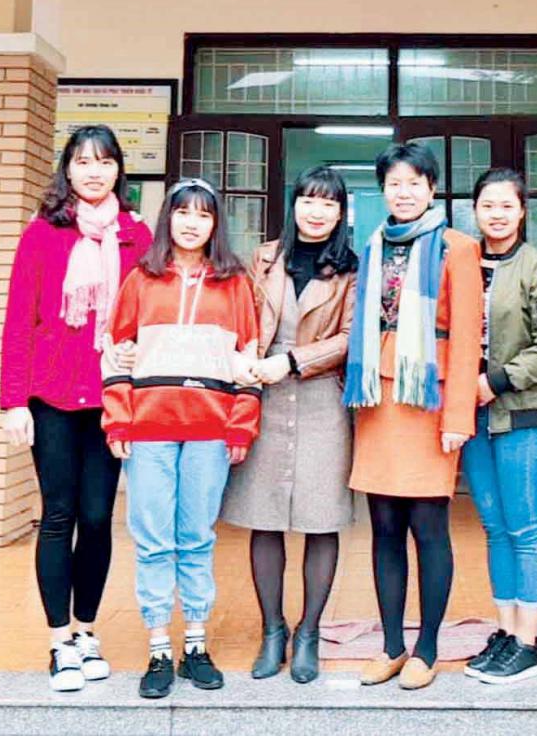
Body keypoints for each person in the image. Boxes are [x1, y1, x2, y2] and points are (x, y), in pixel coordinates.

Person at [0, 125, 151, 692]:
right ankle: (58, 639)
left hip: (112, 395)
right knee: (59, 515)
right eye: (83, 161)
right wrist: (13, 400)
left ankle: (88, 631)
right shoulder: (42, 235)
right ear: (67, 169)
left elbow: (150, 314)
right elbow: (19, 323)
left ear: (118, 171)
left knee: (97, 517)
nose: (94, 171)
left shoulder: (137, 236)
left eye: (105, 161)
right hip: (53, 398)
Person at [102, 178, 261, 700]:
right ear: (168, 218)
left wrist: (241, 422)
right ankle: (158, 649)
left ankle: (195, 644)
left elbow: (249, 363)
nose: (192, 222)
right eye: (183, 212)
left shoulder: (234, 283)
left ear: (216, 224)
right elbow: (116, 352)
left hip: (210, 430)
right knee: (152, 542)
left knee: (196, 539)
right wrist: (117, 420)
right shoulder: (140, 280)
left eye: (204, 214)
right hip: (148, 427)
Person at [345, 142, 483, 690]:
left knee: (428, 528)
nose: (403, 192)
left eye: (413, 182)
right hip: (378, 400)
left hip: (428, 400)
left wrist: (458, 418)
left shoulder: (458, 247)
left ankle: (427, 647)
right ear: (383, 190)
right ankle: (390, 645)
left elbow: (469, 336)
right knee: (383, 527)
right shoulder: (373, 245)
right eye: (393, 183)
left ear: (431, 187)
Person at [222, 167, 359, 684]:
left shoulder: (351, 268)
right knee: (265, 516)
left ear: (341, 212)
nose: (316, 211)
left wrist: (297, 360)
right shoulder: (263, 257)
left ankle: (309, 634)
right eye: (308, 199)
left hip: (323, 395)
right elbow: (240, 317)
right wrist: (246, 363)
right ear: (294, 203)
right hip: (265, 392)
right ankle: (272, 630)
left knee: (321, 519)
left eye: (328, 203)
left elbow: (351, 335)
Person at [459, 168, 537, 685]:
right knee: (494, 524)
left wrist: (496, 381)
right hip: (469, 414)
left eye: (507, 205)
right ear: (474, 210)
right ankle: (505, 631)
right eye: (487, 205)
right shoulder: (462, 264)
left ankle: (529, 641)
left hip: (517, 412)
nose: (496, 214)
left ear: (522, 211)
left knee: (524, 525)